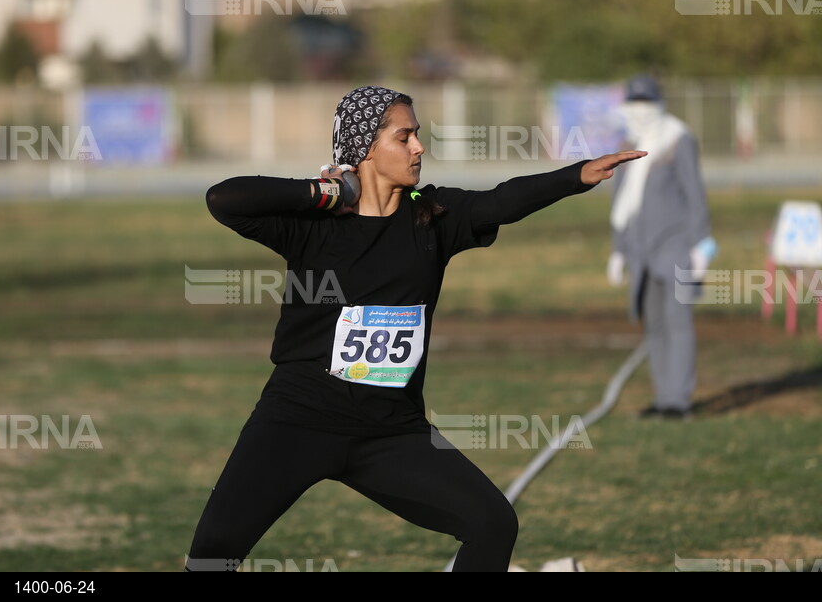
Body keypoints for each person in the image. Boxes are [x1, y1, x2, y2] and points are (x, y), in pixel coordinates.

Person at [187, 85, 645, 572]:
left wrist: (575, 175)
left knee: (493, 523)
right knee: (213, 554)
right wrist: (322, 193)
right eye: (404, 137)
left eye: (417, 136)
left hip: (390, 432)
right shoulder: (314, 224)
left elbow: (501, 202)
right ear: (365, 147)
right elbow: (225, 198)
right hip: (297, 419)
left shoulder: (431, 215)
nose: (419, 147)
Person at [607, 75, 715, 420]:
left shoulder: (677, 140)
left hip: (676, 248)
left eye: (646, 104)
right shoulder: (628, 141)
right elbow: (621, 200)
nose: (640, 111)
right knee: (652, 324)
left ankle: (677, 400)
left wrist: (701, 244)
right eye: (634, 104)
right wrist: (619, 249)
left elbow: (695, 195)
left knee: (677, 323)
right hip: (640, 251)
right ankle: (662, 396)